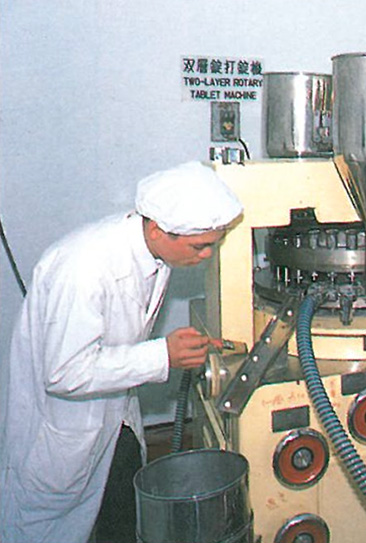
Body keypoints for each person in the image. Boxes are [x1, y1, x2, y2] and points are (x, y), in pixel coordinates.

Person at [0, 161, 243, 543]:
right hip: (64, 433)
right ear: (158, 230)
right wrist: (163, 356)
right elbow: (64, 373)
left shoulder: (154, 254)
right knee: (44, 531)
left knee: (122, 518)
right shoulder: (82, 269)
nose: (207, 255)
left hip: (116, 422)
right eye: (200, 246)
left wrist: (171, 350)